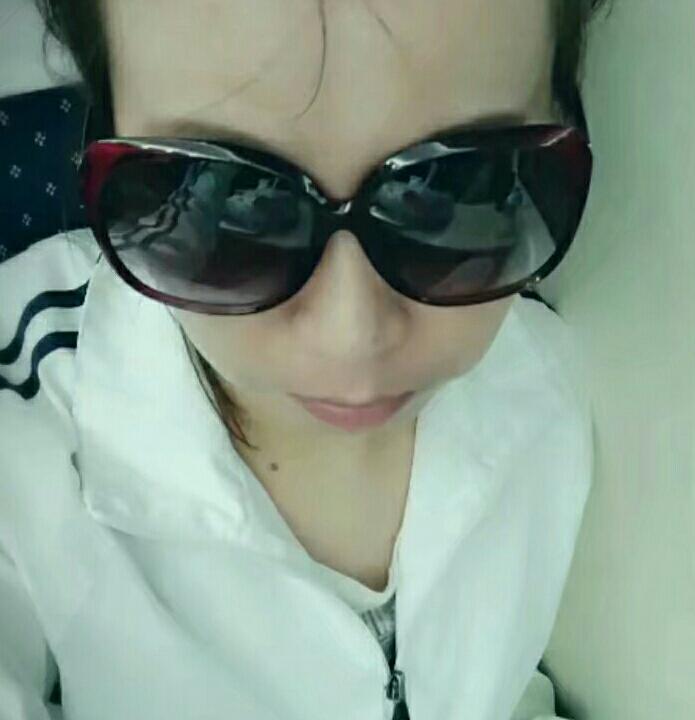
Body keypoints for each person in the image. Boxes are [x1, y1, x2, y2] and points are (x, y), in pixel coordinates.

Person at [0, 1, 607, 718]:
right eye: (227, 201)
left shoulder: (559, 390)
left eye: (459, 187)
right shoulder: (28, 425)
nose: (352, 336)